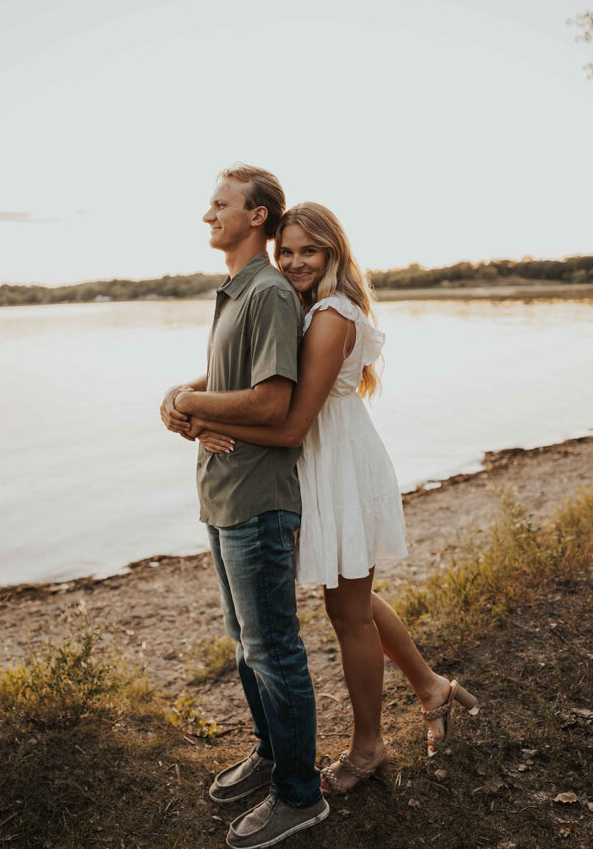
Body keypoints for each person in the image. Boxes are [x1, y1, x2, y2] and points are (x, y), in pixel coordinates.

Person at [186, 202, 479, 795]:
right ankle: (431, 688)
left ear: (333, 255)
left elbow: (291, 426)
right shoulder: (302, 307)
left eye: (308, 252)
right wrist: (190, 399)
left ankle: (368, 749)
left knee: (347, 611)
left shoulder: (330, 314)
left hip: (336, 467)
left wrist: (201, 419)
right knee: (355, 600)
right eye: (286, 250)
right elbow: (251, 384)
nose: (294, 261)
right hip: (317, 465)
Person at [160, 167, 329, 849]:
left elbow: (269, 403)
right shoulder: (235, 293)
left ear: (256, 215)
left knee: (274, 651)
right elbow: (226, 384)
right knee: (246, 645)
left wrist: (193, 406)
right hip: (223, 497)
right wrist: (182, 399)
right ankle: (269, 753)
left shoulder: (267, 292)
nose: (208, 214)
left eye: (220, 205)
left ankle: (299, 795)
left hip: (258, 504)